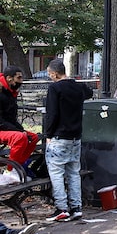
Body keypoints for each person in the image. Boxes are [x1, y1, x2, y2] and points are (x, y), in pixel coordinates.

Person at [43, 59, 94, 222]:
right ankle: (76, 207)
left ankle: (61, 208)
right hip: (75, 136)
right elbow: (89, 92)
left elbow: (53, 114)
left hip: (59, 136)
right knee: (73, 173)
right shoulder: (77, 87)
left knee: (56, 173)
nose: (50, 77)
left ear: (54, 73)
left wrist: (48, 135)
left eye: (50, 74)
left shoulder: (55, 88)